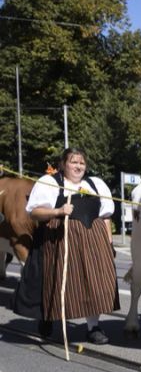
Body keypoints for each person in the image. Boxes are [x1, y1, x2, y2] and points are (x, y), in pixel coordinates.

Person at [19, 147, 119, 344]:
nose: (78, 166)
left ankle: (93, 327)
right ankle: (47, 316)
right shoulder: (49, 183)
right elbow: (34, 212)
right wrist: (58, 211)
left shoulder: (96, 184)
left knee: (95, 283)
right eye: (73, 162)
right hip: (60, 241)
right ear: (63, 164)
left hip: (94, 242)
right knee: (58, 281)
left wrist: (109, 243)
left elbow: (105, 216)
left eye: (81, 163)